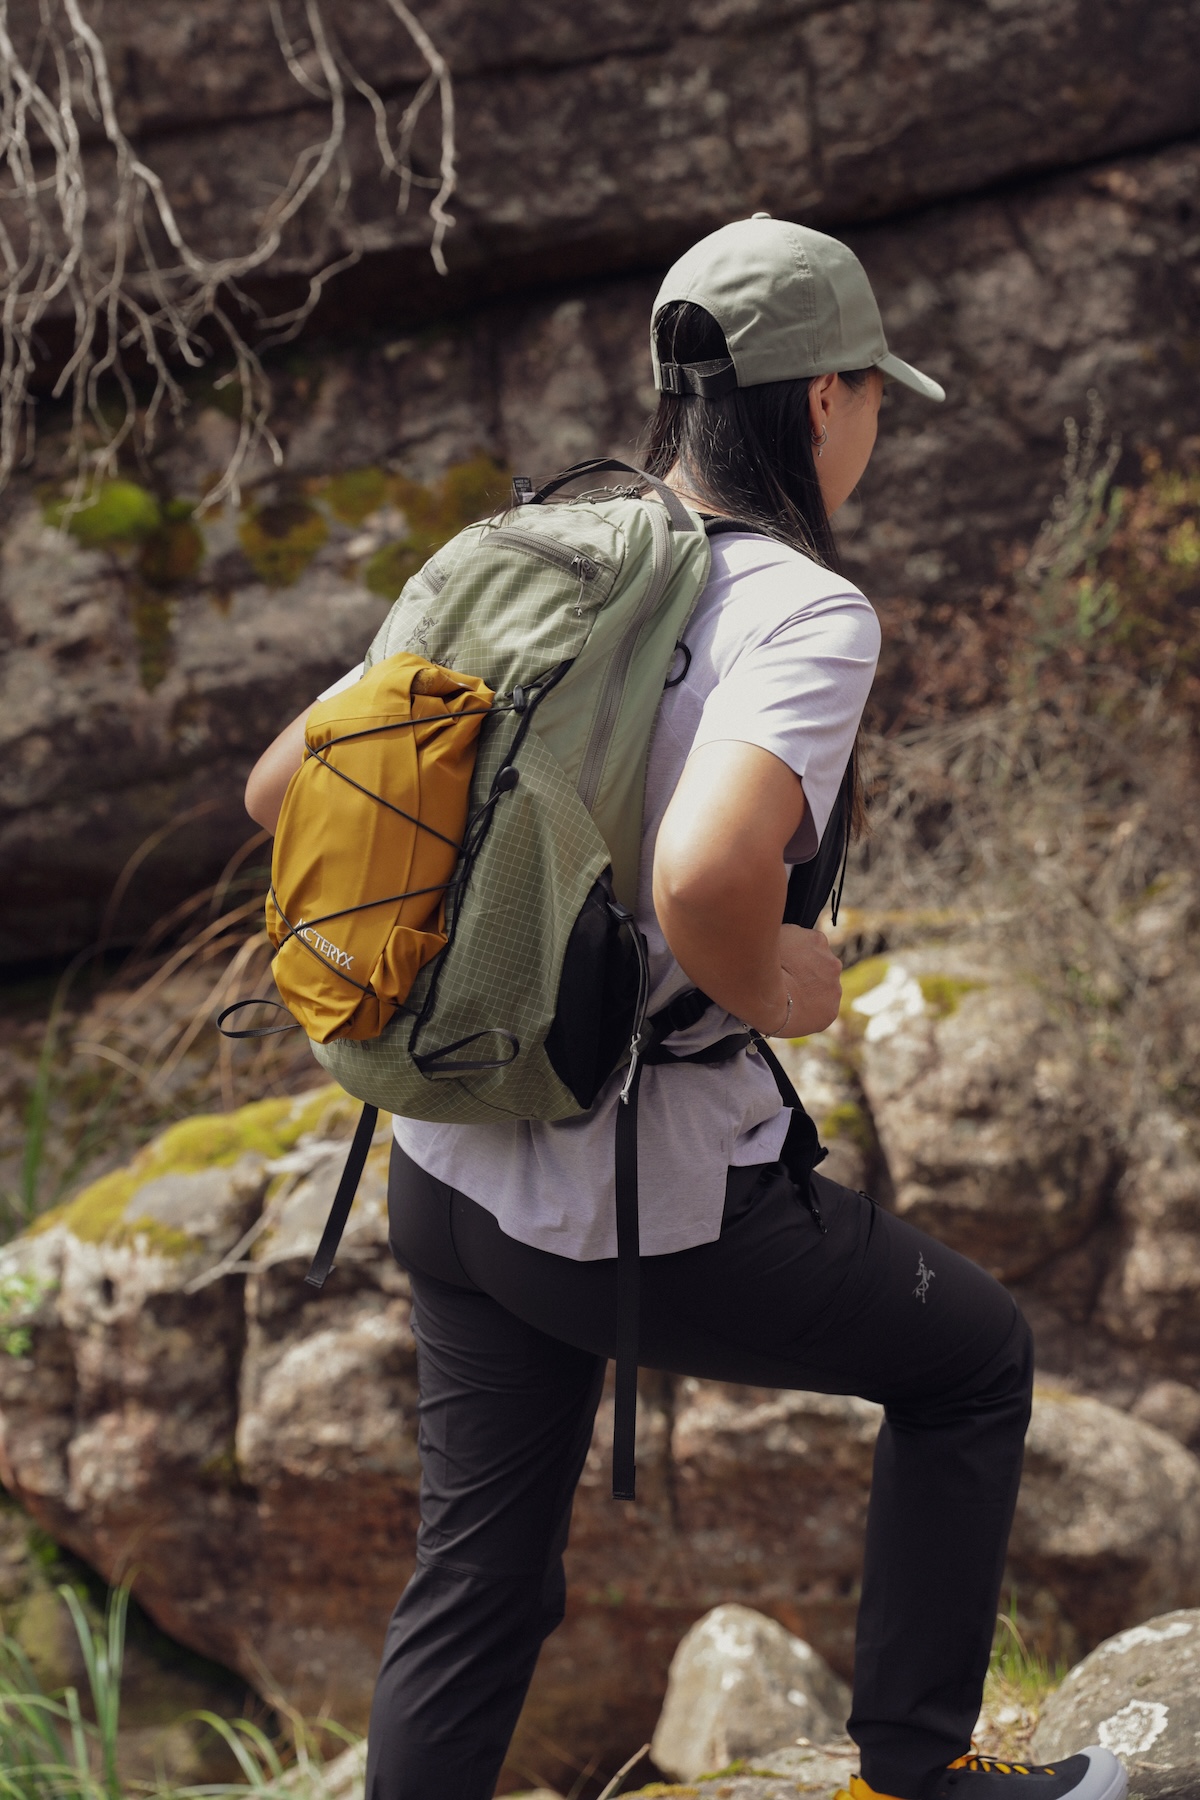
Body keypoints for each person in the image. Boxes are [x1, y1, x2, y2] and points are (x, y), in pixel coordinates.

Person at [245, 217, 1125, 1800]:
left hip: (442, 1167)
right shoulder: (806, 612)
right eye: (871, 394)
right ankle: (913, 1776)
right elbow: (709, 874)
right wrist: (788, 983)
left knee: (477, 1588)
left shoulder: (529, 549)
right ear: (825, 399)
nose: (870, 425)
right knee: (974, 1362)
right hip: (628, 1206)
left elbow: (277, 790)